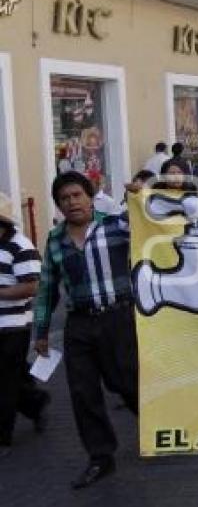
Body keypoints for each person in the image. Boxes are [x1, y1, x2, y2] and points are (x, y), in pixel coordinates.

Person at [33, 172, 139, 489]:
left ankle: (159, 430)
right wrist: (40, 332)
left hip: (118, 319)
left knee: (127, 383)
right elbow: (47, 288)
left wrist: (142, 197)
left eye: (77, 195)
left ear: (90, 196)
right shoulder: (55, 239)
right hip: (78, 324)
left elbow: (156, 222)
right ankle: (100, 458)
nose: (72, 202)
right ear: (59, 205)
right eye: (64, 198)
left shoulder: (117, 225)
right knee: (82, 393)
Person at [0, 193, 49, 458]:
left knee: (5, 381)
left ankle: (3, 437)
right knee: (10, 379)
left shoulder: (21, 246)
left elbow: (32, 286)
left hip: (14, 325)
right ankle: (35, 403)